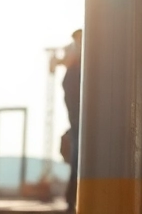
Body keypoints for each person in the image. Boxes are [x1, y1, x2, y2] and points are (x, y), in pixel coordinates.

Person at [62, 29, 82, 214]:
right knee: (78, 161)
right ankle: (72, 200)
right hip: (80, 124)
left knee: (78, 161)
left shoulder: (76, 70)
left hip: (79, 124)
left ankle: (72, 200)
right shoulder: (75, 71)